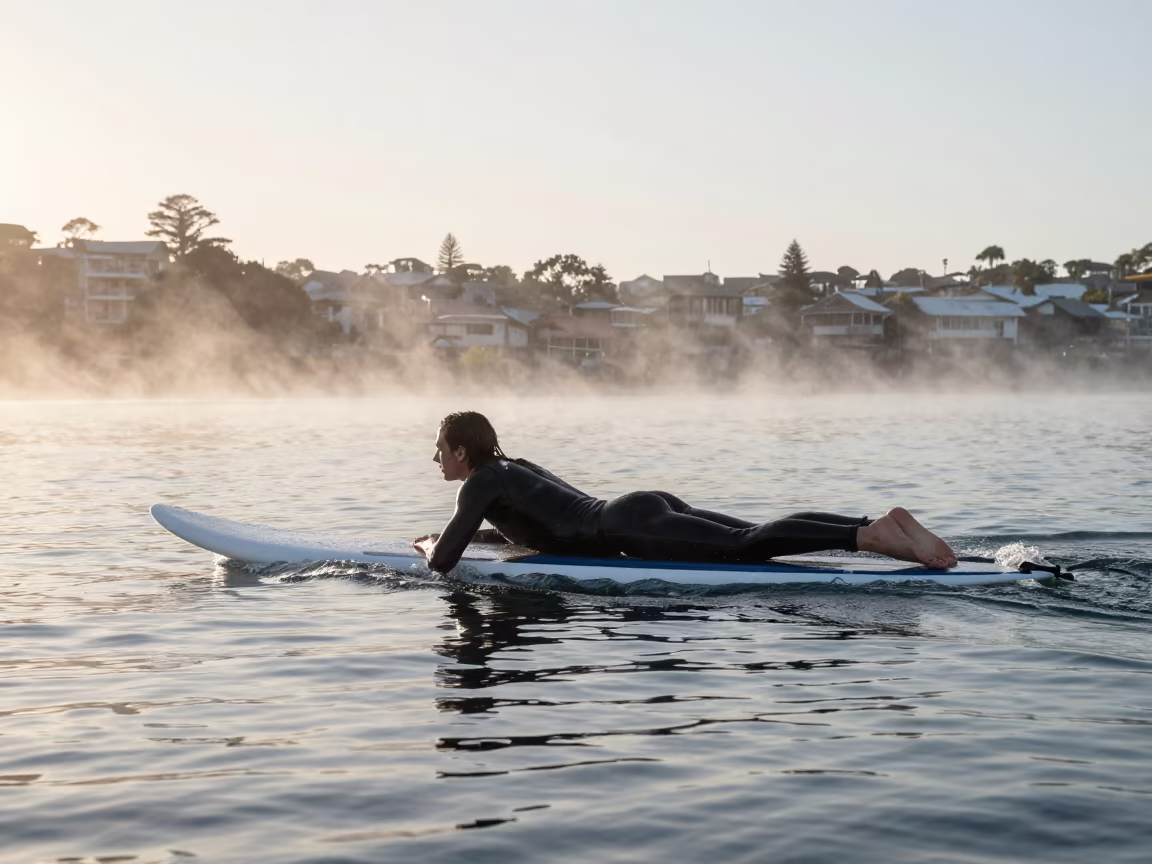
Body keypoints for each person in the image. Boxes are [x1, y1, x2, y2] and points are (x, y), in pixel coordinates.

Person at [413, 411, 958, 574]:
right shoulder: (510, 469)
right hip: (638, 507)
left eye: (439, 448)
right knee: (752, 534)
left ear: (462, 450)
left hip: (628, 528)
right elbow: (532, 523)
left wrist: (427, 547)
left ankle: (868, 535)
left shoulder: (479, 482)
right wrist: (470, 536)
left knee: (749, 546)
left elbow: (442, 565)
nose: (436, 458)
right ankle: (874, 524)